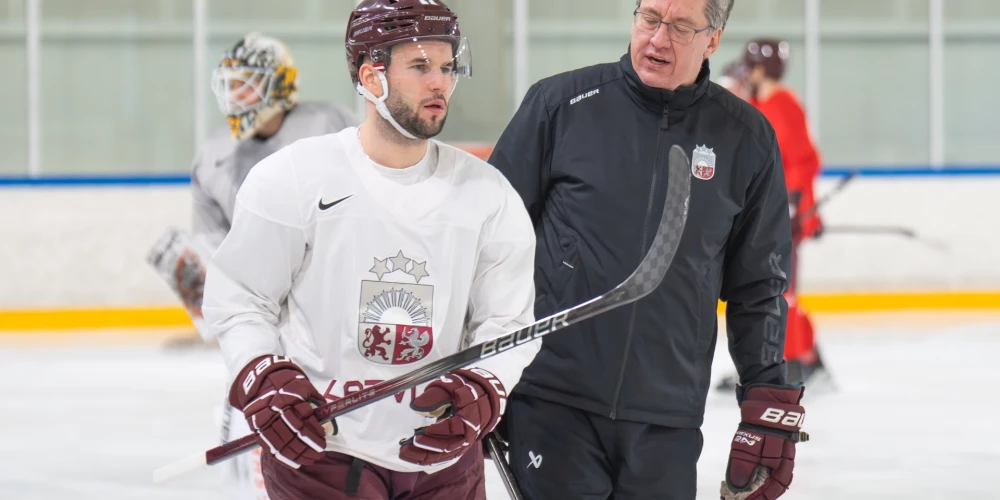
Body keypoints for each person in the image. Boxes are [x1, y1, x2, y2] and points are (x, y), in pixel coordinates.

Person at [200, 1, 540, 499]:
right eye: (420, 66)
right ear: (370, 76)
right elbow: (241, 298)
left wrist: (488, 383)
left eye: (446, 67)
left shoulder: (488, 194)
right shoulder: (291, 178)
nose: (440, 83)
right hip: (320, 457)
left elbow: (509, 323)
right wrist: (260, 372)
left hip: (442, 458)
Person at [488, 0, 808, 499]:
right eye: (649, 18)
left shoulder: (746, 139)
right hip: (553, 403)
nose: (658, 39)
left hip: (667, 419)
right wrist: (480, 375)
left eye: (680, 26)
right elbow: (487, 244)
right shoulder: (561, 105)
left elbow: (758, 288)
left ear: (713, 39)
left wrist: (766, 404)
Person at [149, 32, 358, 499]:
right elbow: (213, 246)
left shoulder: (328, 124)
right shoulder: (213, 155)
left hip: (325, 306)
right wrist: (202, 285)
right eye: (231, 85)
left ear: (280, 85)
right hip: (263, 311)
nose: (236, 97)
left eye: (248, 85)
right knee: (250, 429)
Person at [716, 39, 833, 392]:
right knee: (767, 289)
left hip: (785, 215)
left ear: (759, 70)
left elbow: (804, 161)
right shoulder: (761, 104)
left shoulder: (782, 104)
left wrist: (795, 208)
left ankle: (797, 364)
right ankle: (801, 361)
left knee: (781, 293)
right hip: (769, 212)